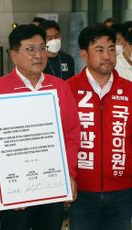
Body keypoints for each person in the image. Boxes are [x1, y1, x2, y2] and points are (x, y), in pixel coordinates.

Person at [0, 24, 80, 230]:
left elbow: (71, 133)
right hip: (14, 191)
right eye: (30, 49)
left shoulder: (60, 87)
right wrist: (6, 188)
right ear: (14, 54)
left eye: (42, 48)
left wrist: (69, 174)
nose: (39, 55)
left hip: (51, 184)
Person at [67, 24, 132, 230]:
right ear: (84, 54)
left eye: (112, 49)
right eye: (100, 50)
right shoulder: (68, 89)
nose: (107, 56)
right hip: (82, 191)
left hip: (123, 190)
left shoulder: (129, 90)